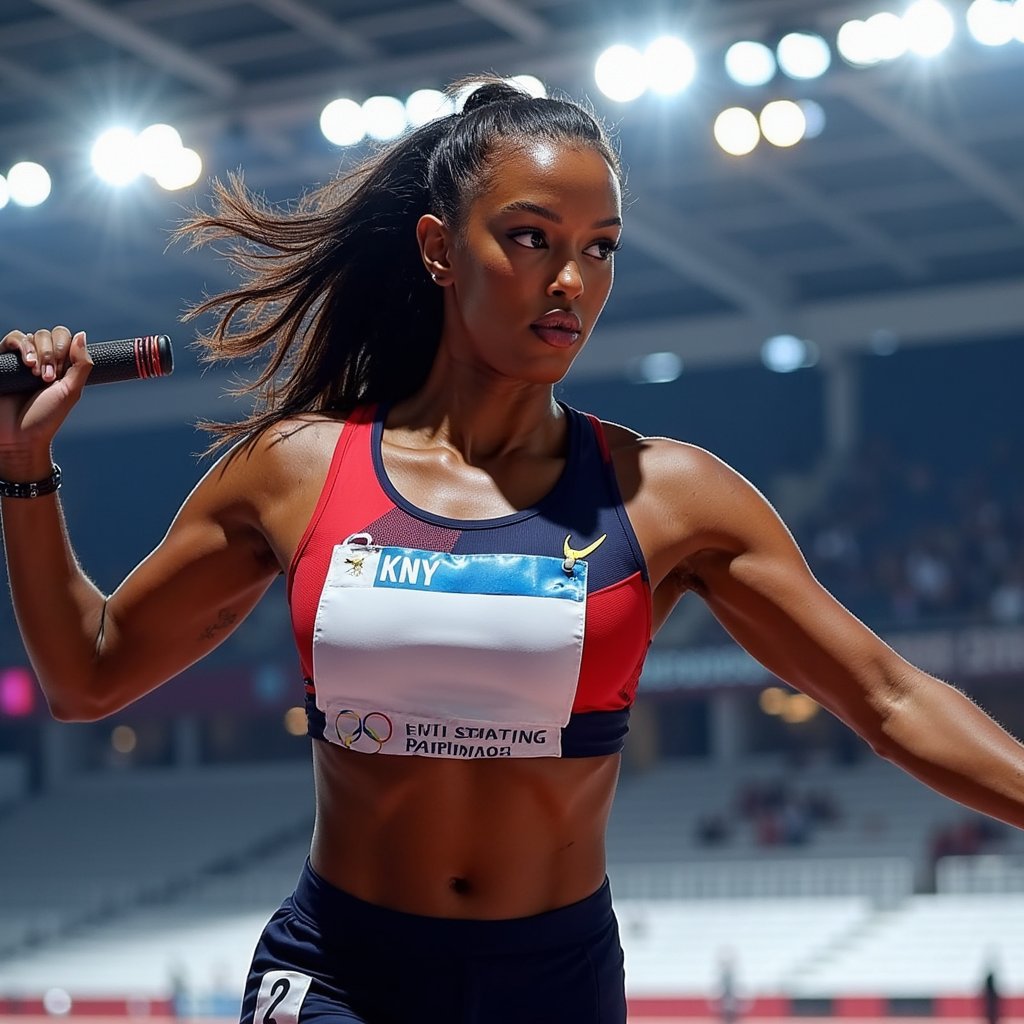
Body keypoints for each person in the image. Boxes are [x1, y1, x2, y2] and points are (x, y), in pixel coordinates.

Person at [2, 75, 1024, 1024]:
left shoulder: (669, 498)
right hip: (340, 974)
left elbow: (888, 698)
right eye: (531, 238)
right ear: (439, 248)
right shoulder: (295, 471)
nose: (571, 280)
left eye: (601, 248)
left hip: (553, 983)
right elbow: (87, 677)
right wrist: (22, 466)